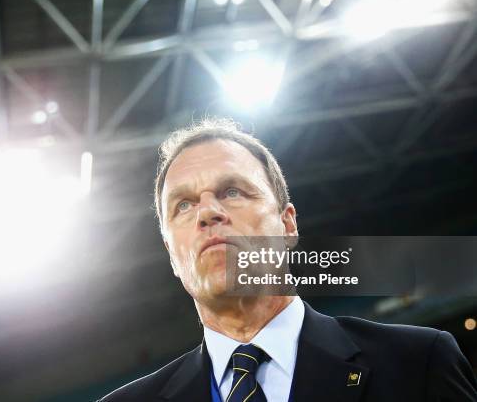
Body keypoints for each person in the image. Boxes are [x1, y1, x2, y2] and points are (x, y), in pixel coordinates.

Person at [99, 118, 477, 402]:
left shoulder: (418, 364)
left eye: (231, 191)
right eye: (183, 205)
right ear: (171, 254)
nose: (207, 213)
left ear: (287, 224)